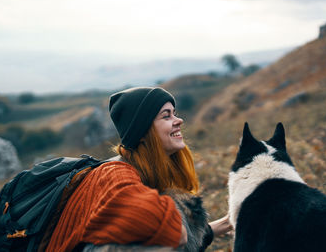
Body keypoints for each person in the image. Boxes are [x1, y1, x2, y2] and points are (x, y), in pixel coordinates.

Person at [45, 87, 232, 252]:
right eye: (166, 116)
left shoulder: (144, 170)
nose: (179, 120)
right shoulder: (115, 174)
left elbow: (181, 237)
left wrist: (229, 221)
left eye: (174, 113)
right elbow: (175, 235)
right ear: (142, 132)